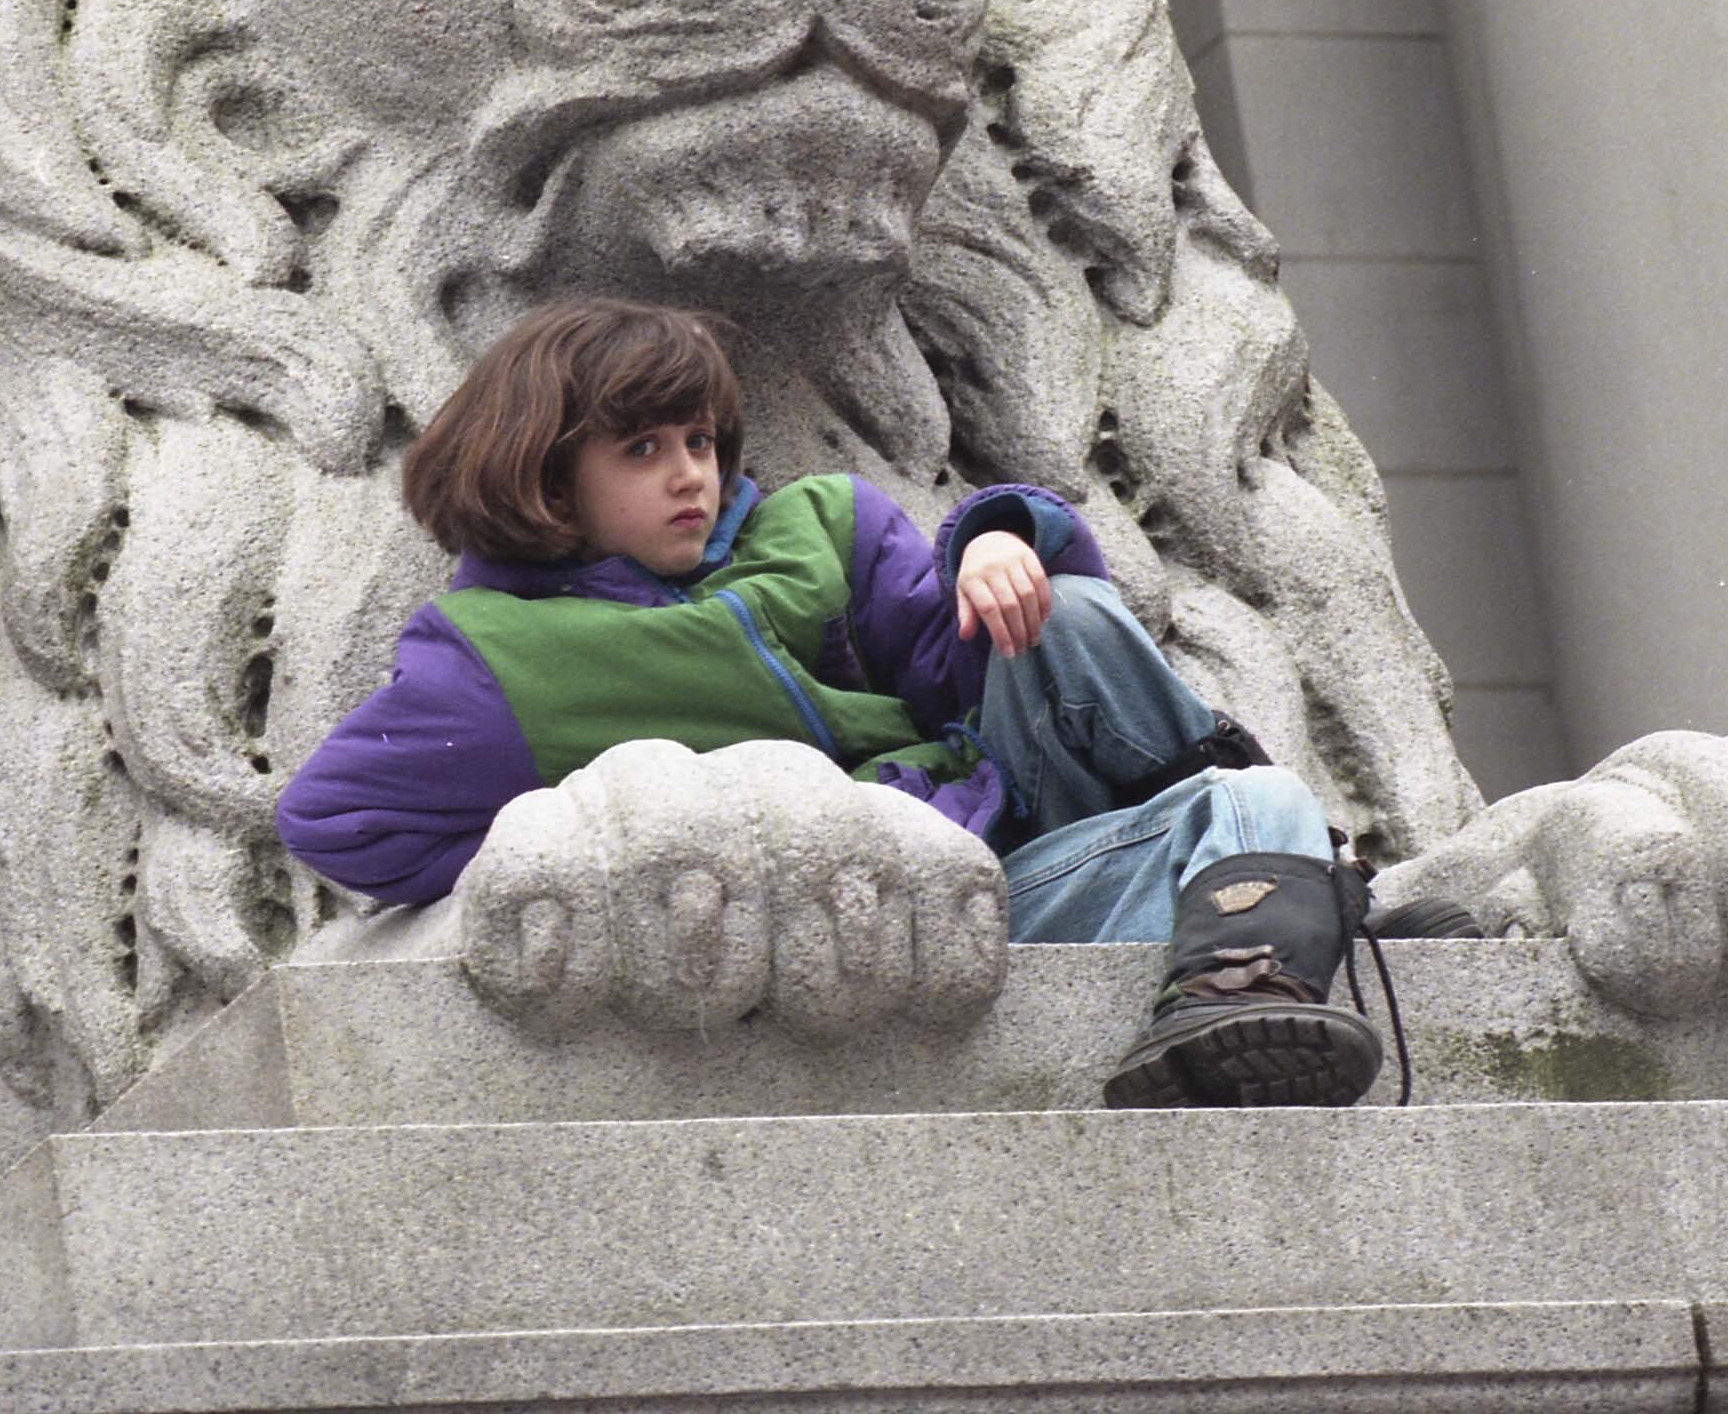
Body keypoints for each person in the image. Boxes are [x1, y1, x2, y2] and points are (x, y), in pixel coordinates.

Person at [276, 299, 1453, 1107]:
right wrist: (600, 840)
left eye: (701, 440)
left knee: (1074, 617)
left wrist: (997, 541)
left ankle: (1254, 948)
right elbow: (334, 820)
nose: (691, 473)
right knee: (1254, 806)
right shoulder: (494, 659)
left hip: (1015, 801)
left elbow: (964, 670)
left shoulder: (821, 527)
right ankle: (1256, 946)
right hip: (916, 903)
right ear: (543, 470)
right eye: (641, 449)